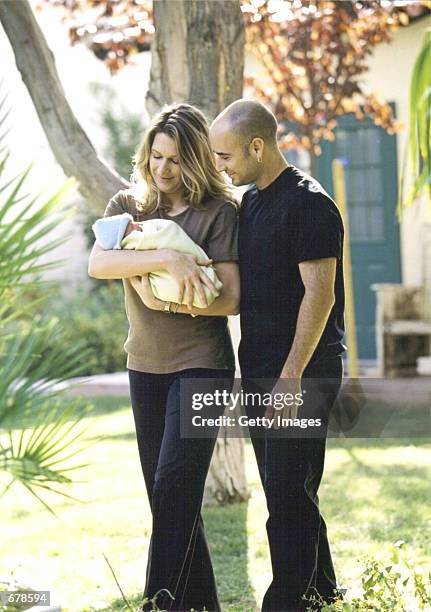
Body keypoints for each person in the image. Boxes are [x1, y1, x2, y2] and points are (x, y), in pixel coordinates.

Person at [88, 103, 240, 612]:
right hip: (144, 366)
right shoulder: (126, 206)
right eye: (156, 156)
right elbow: (98, 262)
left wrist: (165, 297)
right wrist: (167, 257)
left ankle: (156, 604)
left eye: (175, 159)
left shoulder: (219, 212)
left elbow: (232, 298)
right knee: (168, 497)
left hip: (203, 365)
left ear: (195, 159)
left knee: (175, 485)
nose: (163, 169)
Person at [210, 99, 346, 611]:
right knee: (291, 492)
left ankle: (288, 602)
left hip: (302, 374)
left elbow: (321, 295)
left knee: (287, 499)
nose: (221, 165)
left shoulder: (309, 203)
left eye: (226, 156)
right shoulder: (253, 202)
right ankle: (323, 592)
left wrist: (291, 378)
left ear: (257, 146)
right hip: (263, 370)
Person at [91, 213, 222, 308]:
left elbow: (232, 301)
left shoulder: (217, 210)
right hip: (143, 342)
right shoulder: (121, 207)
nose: (137, 225)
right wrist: (168, 258)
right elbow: (95, 266)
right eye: (130, 226)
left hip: (204, 341)